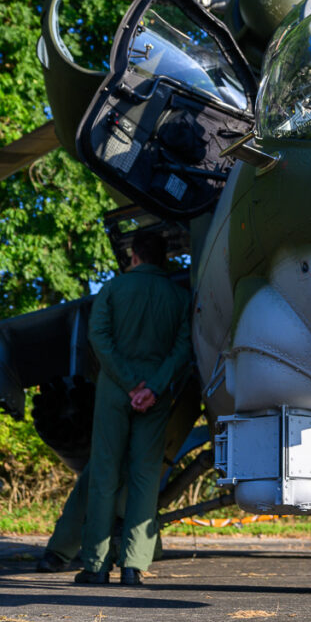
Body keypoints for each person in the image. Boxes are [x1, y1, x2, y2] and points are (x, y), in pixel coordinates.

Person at [75, 232, 191, 586]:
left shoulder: (113, 290)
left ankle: (96, 565)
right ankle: (133, 566)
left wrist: (128, 384)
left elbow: (99, 338)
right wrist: (152, 387)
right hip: (155, 399)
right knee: (145, 478)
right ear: (163, 258)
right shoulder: (179, 297)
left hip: (115, 393)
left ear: (133, 256)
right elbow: (184, 347)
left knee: (105, 476)